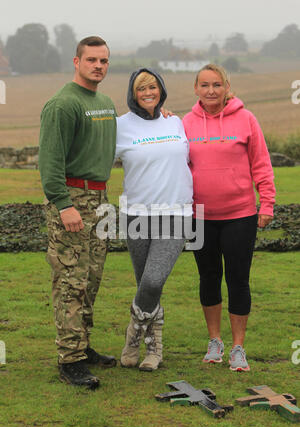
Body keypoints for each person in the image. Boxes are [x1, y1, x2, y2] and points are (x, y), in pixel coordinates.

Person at [183, 64, 276, 372]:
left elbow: (261, 164)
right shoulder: (185, 123)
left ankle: (238, 347)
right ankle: (215, 342)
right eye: (205, 85)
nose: (211, 90)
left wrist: (267, 204)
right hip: (199, 215)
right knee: (208, 277)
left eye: (217, 85)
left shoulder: (246, 119)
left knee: (238, 279)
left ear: (226, 87)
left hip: (240, 214)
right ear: (196, 89)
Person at [39, 36, 118, 389]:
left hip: (99, 201)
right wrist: (63, 203)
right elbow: (50, 161)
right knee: (71, 280)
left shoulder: (104, 102)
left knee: (91, 279)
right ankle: (69, 359)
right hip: (71, 199)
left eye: (103, 61)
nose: (98, 66)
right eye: (91, 60)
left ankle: (83, 346)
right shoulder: (62, 104)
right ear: (76, 61)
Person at [116, 68, 193, 371]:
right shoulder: (120, 126)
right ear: (132, 94)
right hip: (136, 215)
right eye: (141, 88)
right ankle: (154, 349)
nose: (148, 92)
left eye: (153, 87)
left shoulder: (176, 122)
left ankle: (134, 335)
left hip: (177, 213)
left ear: (161, 89)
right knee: (146, 287)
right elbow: (96, 157)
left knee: (152, 279)